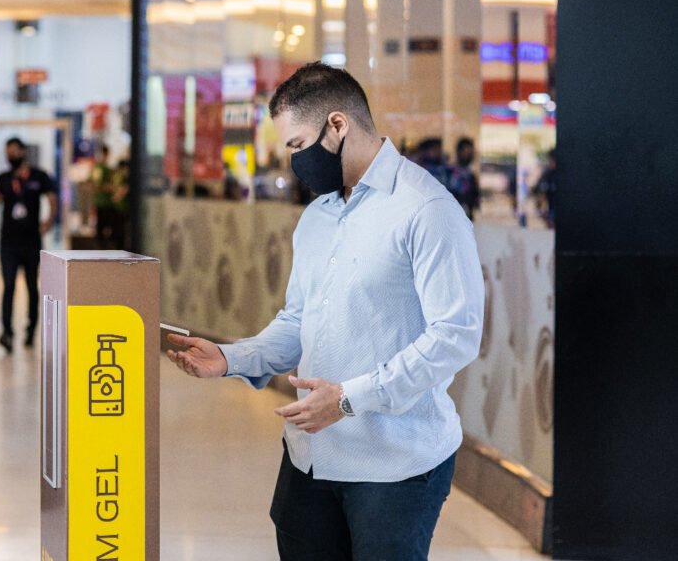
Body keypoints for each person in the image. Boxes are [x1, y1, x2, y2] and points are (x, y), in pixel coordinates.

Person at [166, 62, 484, 561]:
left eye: (297, 145)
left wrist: (349, 399)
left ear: (337, 125)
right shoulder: (317, 216)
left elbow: (455, 335)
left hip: (394, 467)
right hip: (309, 458)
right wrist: (231, 358)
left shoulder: (426, 210)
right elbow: (300, 320)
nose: (294, 161)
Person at [0, 137, 57, 353]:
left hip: (31, 241)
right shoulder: (3, 178)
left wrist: (49, 221)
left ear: (23, 152)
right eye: (7, 152)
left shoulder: (39, 176)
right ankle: (7, 332)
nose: (11, 155)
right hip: (8, 242)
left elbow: (52, 198)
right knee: (8, 286)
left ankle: (31, 329)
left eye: (14, 151)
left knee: (31, 287)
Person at [449, 137, 481, 220]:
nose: (467, 155)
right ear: (459, 152)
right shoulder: (451, 171)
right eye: (465, 151)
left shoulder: (470, 174)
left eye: (470, 152)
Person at [534, 148, 557, 229]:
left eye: (551, 160)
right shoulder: (547, 174)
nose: (549, 162)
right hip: (551, 212)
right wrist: (539, 210)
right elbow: (539, 192)